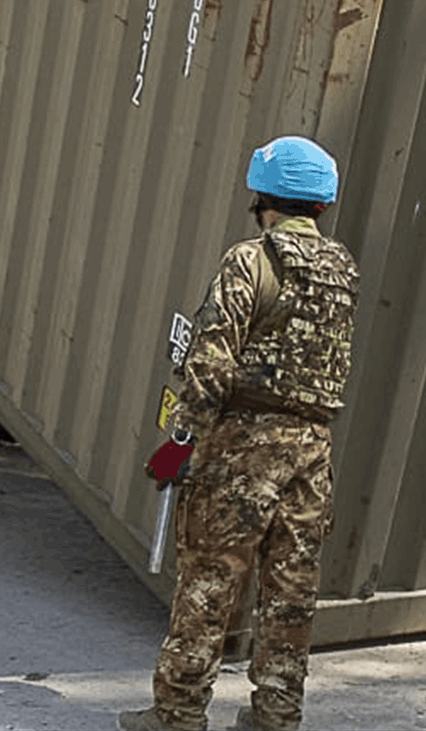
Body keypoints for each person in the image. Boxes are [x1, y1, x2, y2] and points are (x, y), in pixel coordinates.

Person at [121, 135, 359, 731]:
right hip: (313, 451)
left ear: (262, 200)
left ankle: (176, 713)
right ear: (321, 208)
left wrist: (179, 443)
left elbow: (212, 362)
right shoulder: (342, 269)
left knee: (209, 582)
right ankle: (277, 715)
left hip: (245, 450)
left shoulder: (251, 260)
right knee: (290, 591)